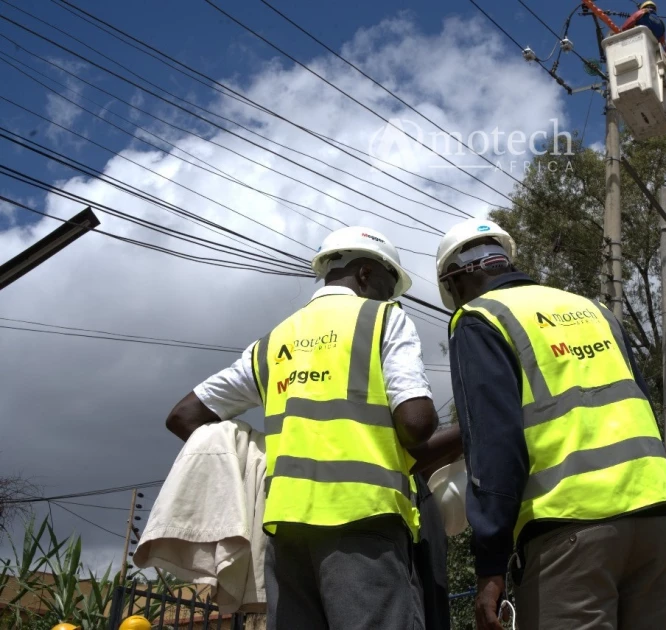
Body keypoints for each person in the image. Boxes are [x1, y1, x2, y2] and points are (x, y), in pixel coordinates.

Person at [166, 226, 458, 630]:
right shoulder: (382, 319)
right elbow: (416, 425)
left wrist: (257, 459)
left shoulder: (272, 343)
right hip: (364, 523)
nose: (391, 297)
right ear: (364, 273)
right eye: (389, 286)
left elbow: (184, 415)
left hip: (285, 532)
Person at [436, 219, 666, 630]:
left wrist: (491, 567)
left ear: (454, 281)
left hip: (570, 532)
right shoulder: (594, 310)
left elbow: (494, 446)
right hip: (655, 524)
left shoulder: (479, 318)